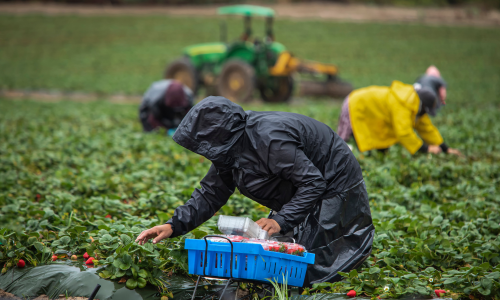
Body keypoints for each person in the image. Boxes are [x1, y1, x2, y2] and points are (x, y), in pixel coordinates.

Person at [136, 96, 374, 286]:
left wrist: (281, 220)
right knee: (283, 248)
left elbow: (313, 183)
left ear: (220, 136)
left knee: (314, 264)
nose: (204, 152)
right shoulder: (229, 150)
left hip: (335, 178)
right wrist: (173, 225)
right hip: (302, 182)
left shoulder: (270, 141)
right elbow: (211, 193)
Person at [337, 66, 462, 156]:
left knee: (379, 149)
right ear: (423, 106)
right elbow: (403, 133)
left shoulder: (416, 106)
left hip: (371, 111)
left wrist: (445, 148)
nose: (426, 114)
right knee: (343, 142)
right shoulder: (402, 104)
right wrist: (426, 149)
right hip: (355, 103)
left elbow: (426, 128)